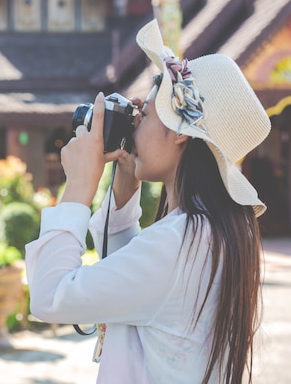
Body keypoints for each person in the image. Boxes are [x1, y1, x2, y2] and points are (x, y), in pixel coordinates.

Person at [25, 19, 271, 384]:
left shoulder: (180, 241)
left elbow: (50, 296)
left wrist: (78, 186)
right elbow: (136, 284)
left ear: (178, 134)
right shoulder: (212, 230)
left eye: (149, 114)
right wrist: (125, 183)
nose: (136, 122)